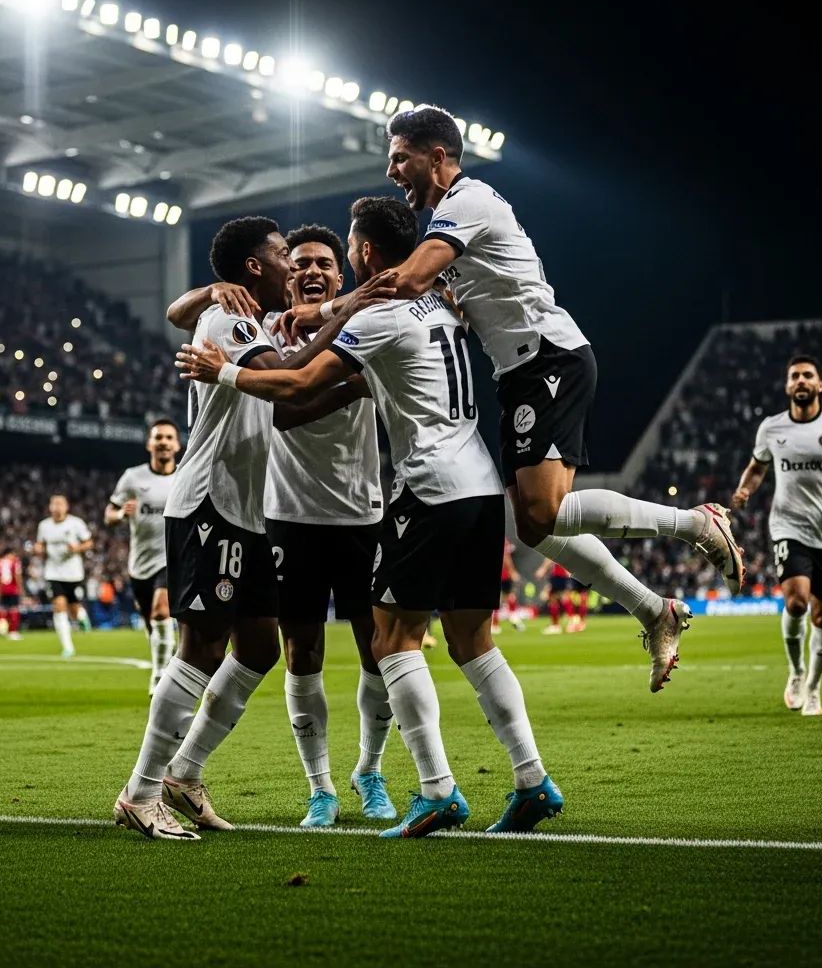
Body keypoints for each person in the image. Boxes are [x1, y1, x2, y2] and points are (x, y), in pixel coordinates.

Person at [275, 106, 746, 692]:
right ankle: (655, 609)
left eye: (400, 157)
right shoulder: (449, 221)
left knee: (541, 515)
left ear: (436, 156)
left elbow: (410, 281)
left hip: (548, 358)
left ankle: (694, 524)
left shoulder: (468, 202)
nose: (392, 170)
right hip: (519, 372)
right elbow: (442, 300)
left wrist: (320, 312)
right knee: (533, 526)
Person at [179, 196, 563, 838]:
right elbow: (188, 315)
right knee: (466, 641)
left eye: (330, 259)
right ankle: (526, 779)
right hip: (444, 485)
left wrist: (224, 374)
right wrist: (218, 294)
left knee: (387, 645)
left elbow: (295, 387)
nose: (311, 271)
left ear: (357, 257)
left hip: (401, 498)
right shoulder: (430, 302)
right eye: (294, 262)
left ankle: (421, 785)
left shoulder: (371, 317)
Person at [115, 216, 383, 840]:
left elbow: (190, 316)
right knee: (201, 649)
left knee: (260, 646)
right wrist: (355, 346)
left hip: (246, 512)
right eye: (283, 253)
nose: (294, 265)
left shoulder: (250, 319)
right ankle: (141, 791)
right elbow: (289, 390)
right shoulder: (233, 323)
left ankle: (185, 774)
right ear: (255, 266)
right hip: (209, 502)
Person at [732, 354, 822, 716]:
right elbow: (756, 469)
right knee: (796, 602)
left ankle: (815, 687)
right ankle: (796, 672)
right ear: (788, 386)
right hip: (787, 526)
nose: (801, 381)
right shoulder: (771, 428)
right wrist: (745, 490)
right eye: (795, 376)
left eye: (808, 375)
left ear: (820, 384)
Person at [105, 418, 183, 696]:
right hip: (140, 563)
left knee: (161, 610)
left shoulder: (186, 475)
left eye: (168, 437)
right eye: (158, 437)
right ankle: (165, 654)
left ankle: (160, 676)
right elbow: (109, 514)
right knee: (152, 624)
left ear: (177, 444)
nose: (163, 441)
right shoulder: (133, 477)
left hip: (173, 558)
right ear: (149, 443)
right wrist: (120, 515)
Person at [35, 495, 93, 657]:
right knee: (59, 606)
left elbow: (89, 542)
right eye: (54, 504)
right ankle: (68, 647)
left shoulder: (76, 523)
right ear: (50, 507)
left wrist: (77, 548)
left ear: (66, 507)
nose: (57, 507)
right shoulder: (44, 526)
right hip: (53, 573)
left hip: (73, 574)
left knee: (74, 609)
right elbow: (40, 544)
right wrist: (38, 548)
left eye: (60, 504)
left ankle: (81, 617)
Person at [0, 546, 24, 641]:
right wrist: (20, 587)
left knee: (3, 610)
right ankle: (13, 632)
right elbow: (17, 575)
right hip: (12, 589)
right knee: (14, 610)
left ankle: (1, 630)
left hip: (3, 589)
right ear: (10, 553)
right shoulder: (15, 562)